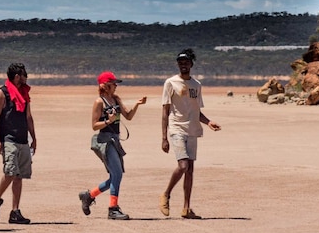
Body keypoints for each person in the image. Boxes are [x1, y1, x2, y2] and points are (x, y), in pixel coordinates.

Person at [160, 49, 222, 219]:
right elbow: (165, 111)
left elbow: (196, 111)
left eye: (186, 62)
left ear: (191, 64)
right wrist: (164, 138)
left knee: (190, 170)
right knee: (183, 166)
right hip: (176, 129)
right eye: (180, 62)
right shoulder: (170, 83)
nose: (183, 65)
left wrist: (208, 122)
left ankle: (186, 208)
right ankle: (166, 194)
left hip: (192, 130)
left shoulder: (196, 85)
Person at [78, 72, 146, 220]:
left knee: (115, 177)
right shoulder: (99, 102)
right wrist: (108, 121)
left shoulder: (115, 99)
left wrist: (137, 104)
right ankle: (112, 209)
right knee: (117, 174)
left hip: (115, 140)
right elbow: (94, 126)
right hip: (105, 141)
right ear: (105, 85)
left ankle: (89, 196)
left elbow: (128, 115)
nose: (116, 86)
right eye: (113, 83)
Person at [0, 63, 36, 225]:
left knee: (19, 176)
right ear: (17, 76)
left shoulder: (24, 93)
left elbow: (28, 117)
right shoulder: (1, 93)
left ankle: (15, 212)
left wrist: (33, 138)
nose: (26, 77)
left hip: (23, 139)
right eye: (24, 75)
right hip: (8, 139)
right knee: (10, 172)